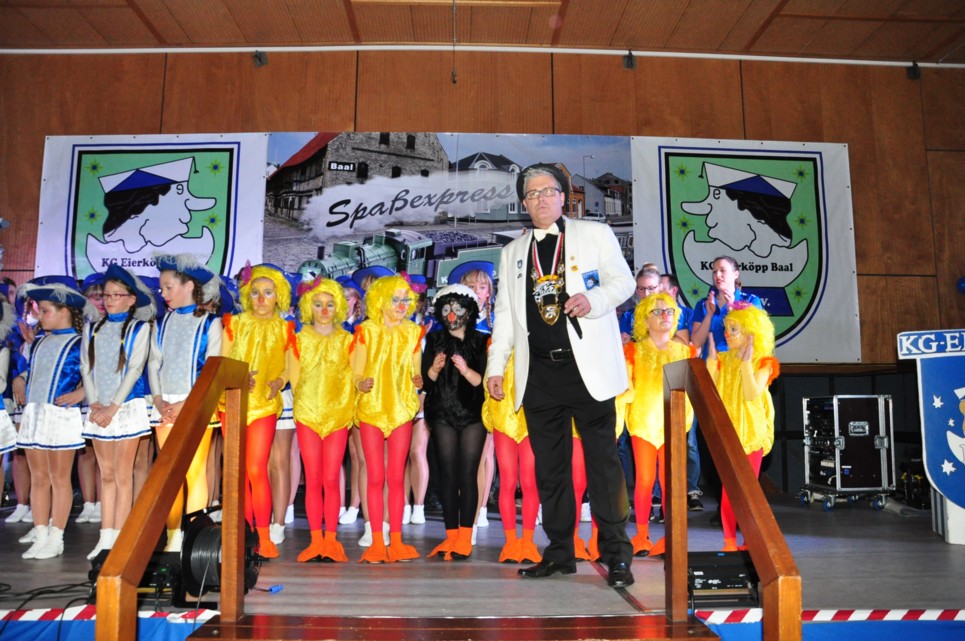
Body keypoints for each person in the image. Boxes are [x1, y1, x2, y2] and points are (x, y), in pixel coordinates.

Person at [486, 163, 635, 589]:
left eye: (548, 191)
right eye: (532, 194)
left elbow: (623, 283)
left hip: (588, 370)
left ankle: (616, 555)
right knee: (550, 471)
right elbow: (504, 317)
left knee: (603, 466)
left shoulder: (595, 233)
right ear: (523, 203)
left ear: (563, 196)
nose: (541, 199)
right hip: (538, 374)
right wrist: (495, 366)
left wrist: (594, 299)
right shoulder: (513, 252)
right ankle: (559, 553)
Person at [222, 263, 297, 559]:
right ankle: (243, 534)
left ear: (279, 296)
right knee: (237, 471)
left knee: (256, 468)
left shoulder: (285, 328)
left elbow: (289, 368)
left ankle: (263, 536)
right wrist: (237, 376)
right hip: (232, 404)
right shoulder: (233, 324)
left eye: (268, 292)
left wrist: (278, 381)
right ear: (247, 295)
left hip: (264, 405)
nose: (262, 298)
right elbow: (222, 362)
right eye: (256, 293)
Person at [81, 264, 155, 561]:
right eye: (106, 295)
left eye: (116, 295)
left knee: (123, 475)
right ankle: (105, 536)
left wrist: (113, 406)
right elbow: (86, 367)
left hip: (126, 408)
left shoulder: (140, 328)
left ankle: (121, 539)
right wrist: (94, 403)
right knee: (107, 474)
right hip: (100, 409)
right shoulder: (92, 328)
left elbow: (134, 369)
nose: (109, 300)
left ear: (131, 299)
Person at [149, 255, 223, 552]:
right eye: (162, 288)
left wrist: (185, 403)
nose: (163, 294)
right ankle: (172, 537)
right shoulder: (161, 323)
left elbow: (212, 369)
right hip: (165, 406)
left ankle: (194, 538)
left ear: (189, 286)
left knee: (194, 470)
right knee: (169, 476)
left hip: (196, 405)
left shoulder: (210, 324)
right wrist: (158, 399)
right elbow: (153, 363)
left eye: (168, 287)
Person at [11, 279, 89, 559]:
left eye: (45, 311)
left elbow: (95, 373)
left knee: (59, 478)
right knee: (39, 477)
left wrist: (81, 392)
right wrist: (20, 379)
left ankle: (57, 537)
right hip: (35, 413)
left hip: (60, 417)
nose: (40, 316)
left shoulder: (80, 341)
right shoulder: (39, 342)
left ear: (64, 311)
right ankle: (41, 532)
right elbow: (34, 370)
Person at [351, 274, 424, 563]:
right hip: (371, 409)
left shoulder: (414, 332)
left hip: (401, 410)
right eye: (396, 299)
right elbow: (356, 371)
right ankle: (376, 540)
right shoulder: (365, 331)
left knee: (395, 477)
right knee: (375, 475)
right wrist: (360, 384)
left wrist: (418, 379)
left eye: (406, 299)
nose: (402, 305)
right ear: (381, 301)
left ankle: (397, 540)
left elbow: (416, 368)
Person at [623, 292, 695, 557]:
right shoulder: (634, 351)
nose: (665, 315)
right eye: (658, 311)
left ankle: (671, 537)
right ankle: (641, 536)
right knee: (644, 479)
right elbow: (625, 391)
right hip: (643, 423)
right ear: (645, 319)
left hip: (672, 427)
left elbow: (688, 392)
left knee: (670, 483)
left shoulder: (683, 352)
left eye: (670, 311)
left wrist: (683, 423)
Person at [690, 256, 763, 512]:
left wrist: (734, 309)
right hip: (715, 374)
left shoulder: (751, 301)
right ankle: (725, 505)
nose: (717, 275)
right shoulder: (704, 304)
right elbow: (696, 342)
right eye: (714, 271)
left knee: (742, 439)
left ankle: (741, 508)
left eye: (722, 270)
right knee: (716, 440)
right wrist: (711, 314)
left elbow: (759, 335)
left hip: (742, 375)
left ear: (736, 273)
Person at [290, 277, 355, 562]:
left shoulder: (348, 341)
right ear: (309, 307)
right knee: (313, 478)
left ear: (338, 306)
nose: (325, 310)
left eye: (330, 304)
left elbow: (355, 376)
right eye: (318, 304)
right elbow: (293, 379)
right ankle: (316, 540)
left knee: (331, 477)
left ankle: (331, 540)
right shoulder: (298, 339)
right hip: (307, 415)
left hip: (338, 415)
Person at [706, 302, 778, 551]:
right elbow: (709, 394)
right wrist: (711, 363)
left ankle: (750, 542)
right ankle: (729, 542)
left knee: (747, 492)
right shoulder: (722, 359)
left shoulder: (763, 362)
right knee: (728, 490)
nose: (727, 333)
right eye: (726, 328)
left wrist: (746, 363)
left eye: (734, 329)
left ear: (750, 332)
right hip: (726, 435)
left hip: (750, 435)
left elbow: (751, 393)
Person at [422, 284, 488, 560]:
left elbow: (484, 383)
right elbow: (426, 383)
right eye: (447, 309)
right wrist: (434, 369)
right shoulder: (434, 339)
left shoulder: (482, 341)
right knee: (447, 475)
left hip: (472, 415)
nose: (452, 314)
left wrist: (466, 370)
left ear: (468, 311)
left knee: (467, 474)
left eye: (458, 308)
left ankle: (465, 536)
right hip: (442, 415)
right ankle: (450, 536)